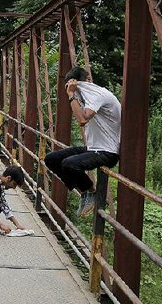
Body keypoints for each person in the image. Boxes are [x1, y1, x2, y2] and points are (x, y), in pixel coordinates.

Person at [44, 66, 121, 218]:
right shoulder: (86, 96)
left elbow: (82, 119)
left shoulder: (99, 94)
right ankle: (85, 192)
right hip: (94, 148)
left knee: (69, 164)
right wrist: (74, 94)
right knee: (51, 159)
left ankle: (92, 192)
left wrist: (72, 94)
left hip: (108, 151)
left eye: (76, 86)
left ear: (87, 81)